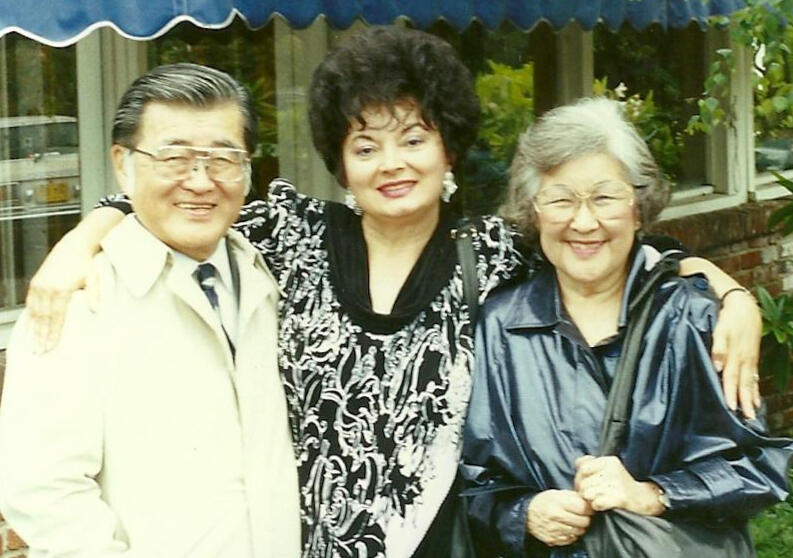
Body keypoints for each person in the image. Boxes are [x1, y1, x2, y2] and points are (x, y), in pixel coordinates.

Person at [23, 28, 763, 557]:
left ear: (447, 147)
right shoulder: (290, 233)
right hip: (297, 542)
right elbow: (186, 194)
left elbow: (613, 241)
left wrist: (733, 296)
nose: (392, 163)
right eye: (364, 145)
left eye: (413, 137)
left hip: (443, 540)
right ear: (339, 165)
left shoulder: (494, 250)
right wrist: (82, 235)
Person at [461, 97, 793, 558]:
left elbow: (758, 466)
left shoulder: (691, 318)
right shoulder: (500, 327)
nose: (583, 221)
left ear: (639, 207)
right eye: (560, 199)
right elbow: (470, 482)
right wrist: (523, 513)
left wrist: (652, 495)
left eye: (604, 197)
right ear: (534, 212)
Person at [0, 63, 301, 557]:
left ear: (247, 167)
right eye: (173, 158)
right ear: (123, 164)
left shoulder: (272, 269)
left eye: (224, 158)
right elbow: (45, 491)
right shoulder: (73, 301)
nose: (201, 182)